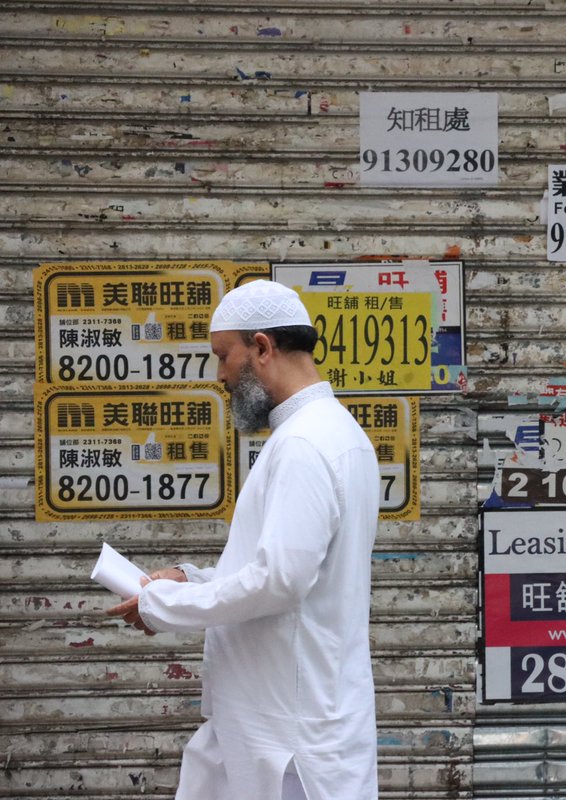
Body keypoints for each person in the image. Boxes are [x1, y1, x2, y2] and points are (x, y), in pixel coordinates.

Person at [106, 280, 381, 800]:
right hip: (279, 720)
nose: (221, 376)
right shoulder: (332, 434)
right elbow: (290, 572)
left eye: (224, 357)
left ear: (261, 347)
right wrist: (189, 579)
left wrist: (166, 604)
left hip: (289, 745)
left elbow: (278, 582)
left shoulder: (304, 444)